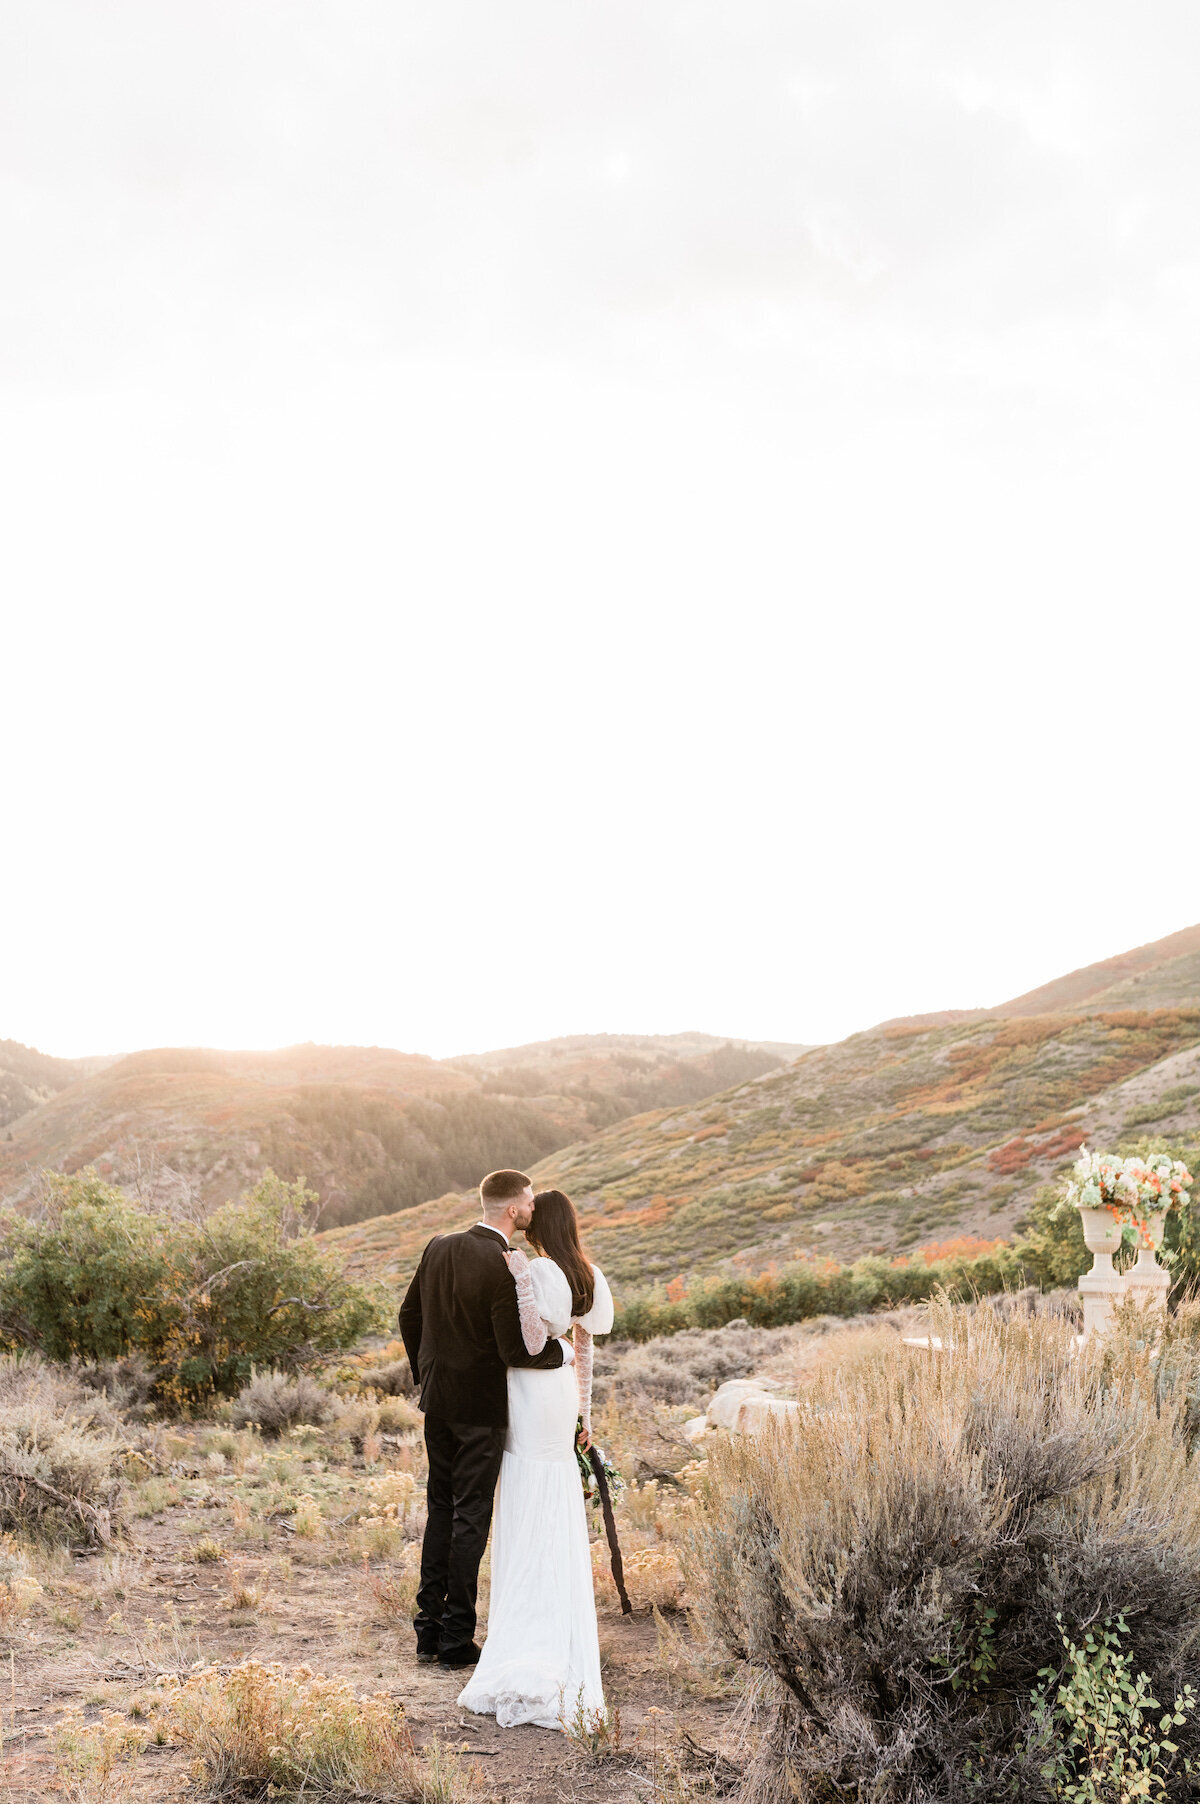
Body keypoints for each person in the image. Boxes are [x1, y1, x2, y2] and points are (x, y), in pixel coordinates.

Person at [398, 1168, 573, 1668]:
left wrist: (426, 1374)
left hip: (438, 1402)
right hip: (480, 1410)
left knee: (440, 1509)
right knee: (471, 1515)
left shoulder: (438, 1245)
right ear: (514, 1210)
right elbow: (516, 1350)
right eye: (531, 1203)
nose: (535, 1210)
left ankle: (427, 1632)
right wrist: (561, 1354)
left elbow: (409, 1316)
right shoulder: (504, 1264)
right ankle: (456, 1641)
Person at [457, 1186, 615, 1730]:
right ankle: (556, 1621)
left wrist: (521, 1278)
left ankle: (528, 1636)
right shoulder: (587, 1272)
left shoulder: (542, 1271)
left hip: (530, 1391)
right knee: (552, 1493)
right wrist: (585, 1416)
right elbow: (586, 1347)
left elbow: (528, 1342)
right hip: (561, 1398)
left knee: (525, 1493)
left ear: (539, 1223)